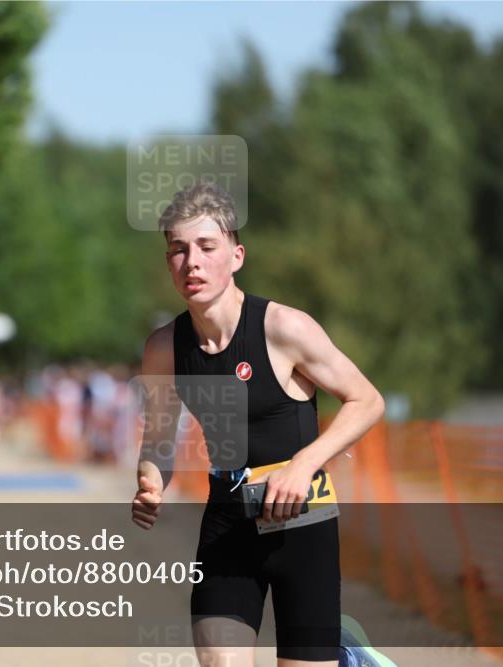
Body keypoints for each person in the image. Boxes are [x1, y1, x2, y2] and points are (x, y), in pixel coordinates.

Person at [132, 182, 386, 667]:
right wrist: (150, 481)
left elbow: (366, 400)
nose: (193, 262)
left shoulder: (283, 328)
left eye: (207, 247)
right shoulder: (164, 350)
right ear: (169, 262)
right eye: (179, 251)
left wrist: (303, 465)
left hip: (302, 523)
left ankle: (346, 654)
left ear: (237, 255)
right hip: (228, 525)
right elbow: (159, 444)